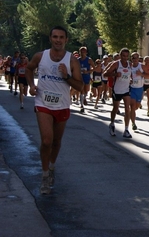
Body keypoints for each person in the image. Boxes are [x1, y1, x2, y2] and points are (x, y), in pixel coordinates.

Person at [25, 26, 83, 195]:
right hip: (43, 103)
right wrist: (31, 85)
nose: (58, 40)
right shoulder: (40, 56)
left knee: (56, 142)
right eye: (55, 37)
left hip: (62, 105)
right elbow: (29, 69)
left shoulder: (71, 60)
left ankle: (51, 167)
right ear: (50, 38)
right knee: (47, 141)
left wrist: (66, 76)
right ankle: (44, 176)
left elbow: (80, 86)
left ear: (66, 40)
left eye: (61, 37)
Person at [103, 48, 133, 138]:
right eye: (123, 56)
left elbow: (130, 75)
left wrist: (131, 79)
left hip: (126, 90)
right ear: (120, 55)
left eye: (127, 56)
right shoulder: (116, 64)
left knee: (127, 109)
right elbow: (105, 73)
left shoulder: (130, 64)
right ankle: (112, 124)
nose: (125, 58)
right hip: (117, 90)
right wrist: (115, 74)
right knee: (115, 109)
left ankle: (126, 130)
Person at [129, 52, 144, 131]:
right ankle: (133, 123)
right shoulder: (129, 66)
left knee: (136, 107)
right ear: (131, 59)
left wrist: (141, 74)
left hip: (140, 89)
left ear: (138, 59)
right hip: (132, 88)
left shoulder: (141, 66)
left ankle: (131, 113)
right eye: (133, 58)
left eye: (136, 58)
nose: (134, 59)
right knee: (132, 106)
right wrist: (129, 79)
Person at [77, 47, 95, 113]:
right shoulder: (77, 60)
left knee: (86, 90)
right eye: (81, 52)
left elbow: (94, 68)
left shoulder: (89, 60)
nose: (82, 53)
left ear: (86, 52)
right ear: (79, 52)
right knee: (81, 90)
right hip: (80, 77)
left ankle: (84, 98)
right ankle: (81, 105)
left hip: (86, 76)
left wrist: (87, 72)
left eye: (84, 52)